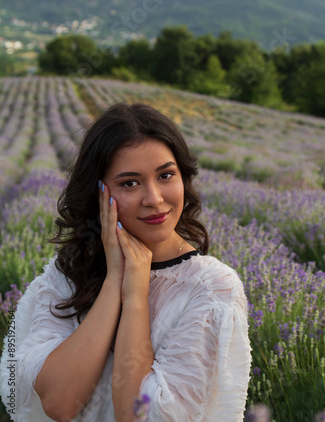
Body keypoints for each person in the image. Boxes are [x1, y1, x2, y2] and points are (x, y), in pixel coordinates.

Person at [0, 103, 251, 422]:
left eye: (165, 175)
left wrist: (135, 296)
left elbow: (138, 416)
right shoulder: (69, 271)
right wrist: (115, 279)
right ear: (99, 194)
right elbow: (59, 403)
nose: (155, 198)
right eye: (130, 183)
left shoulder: (210, 289)